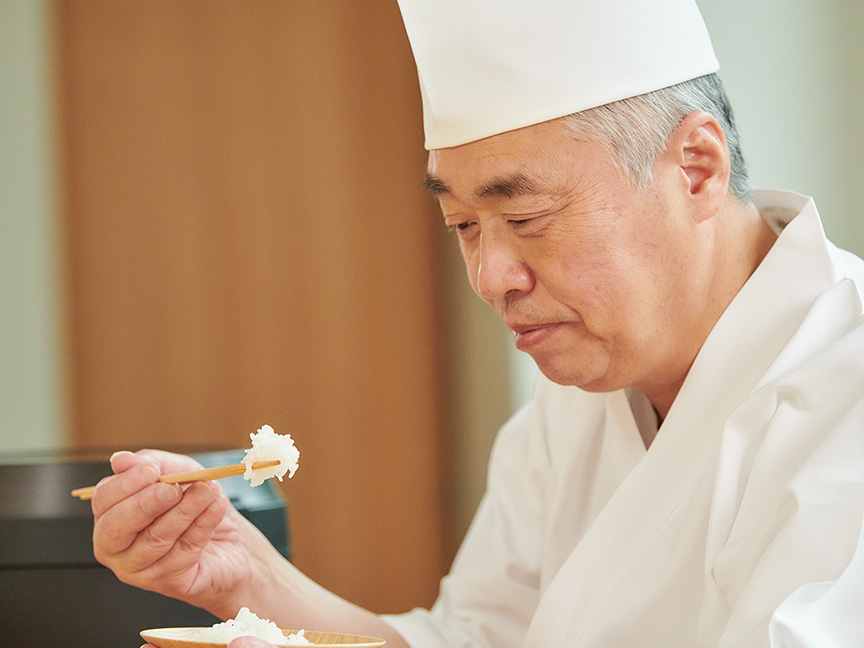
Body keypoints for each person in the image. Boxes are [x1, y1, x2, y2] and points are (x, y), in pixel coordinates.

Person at [89, 0, 864, 646]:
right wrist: (249, 579)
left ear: (696, 168)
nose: (491, 279)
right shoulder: (582, 386)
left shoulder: (846, 392)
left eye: (526, 216)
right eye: (463, 226)